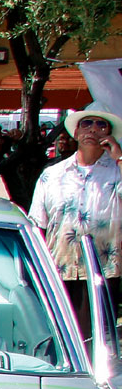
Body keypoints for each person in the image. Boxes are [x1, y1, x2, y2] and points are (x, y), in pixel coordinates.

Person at [28, 104, 122, 340]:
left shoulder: (117, 171)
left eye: (101, 125)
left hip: (104, 269)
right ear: (76, 132)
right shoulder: (53, 174)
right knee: (60, 334)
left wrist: (119, 157)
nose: (93, 129)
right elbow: (37, 222)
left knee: (99, 337)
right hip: (59, 266)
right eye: (86, 123)